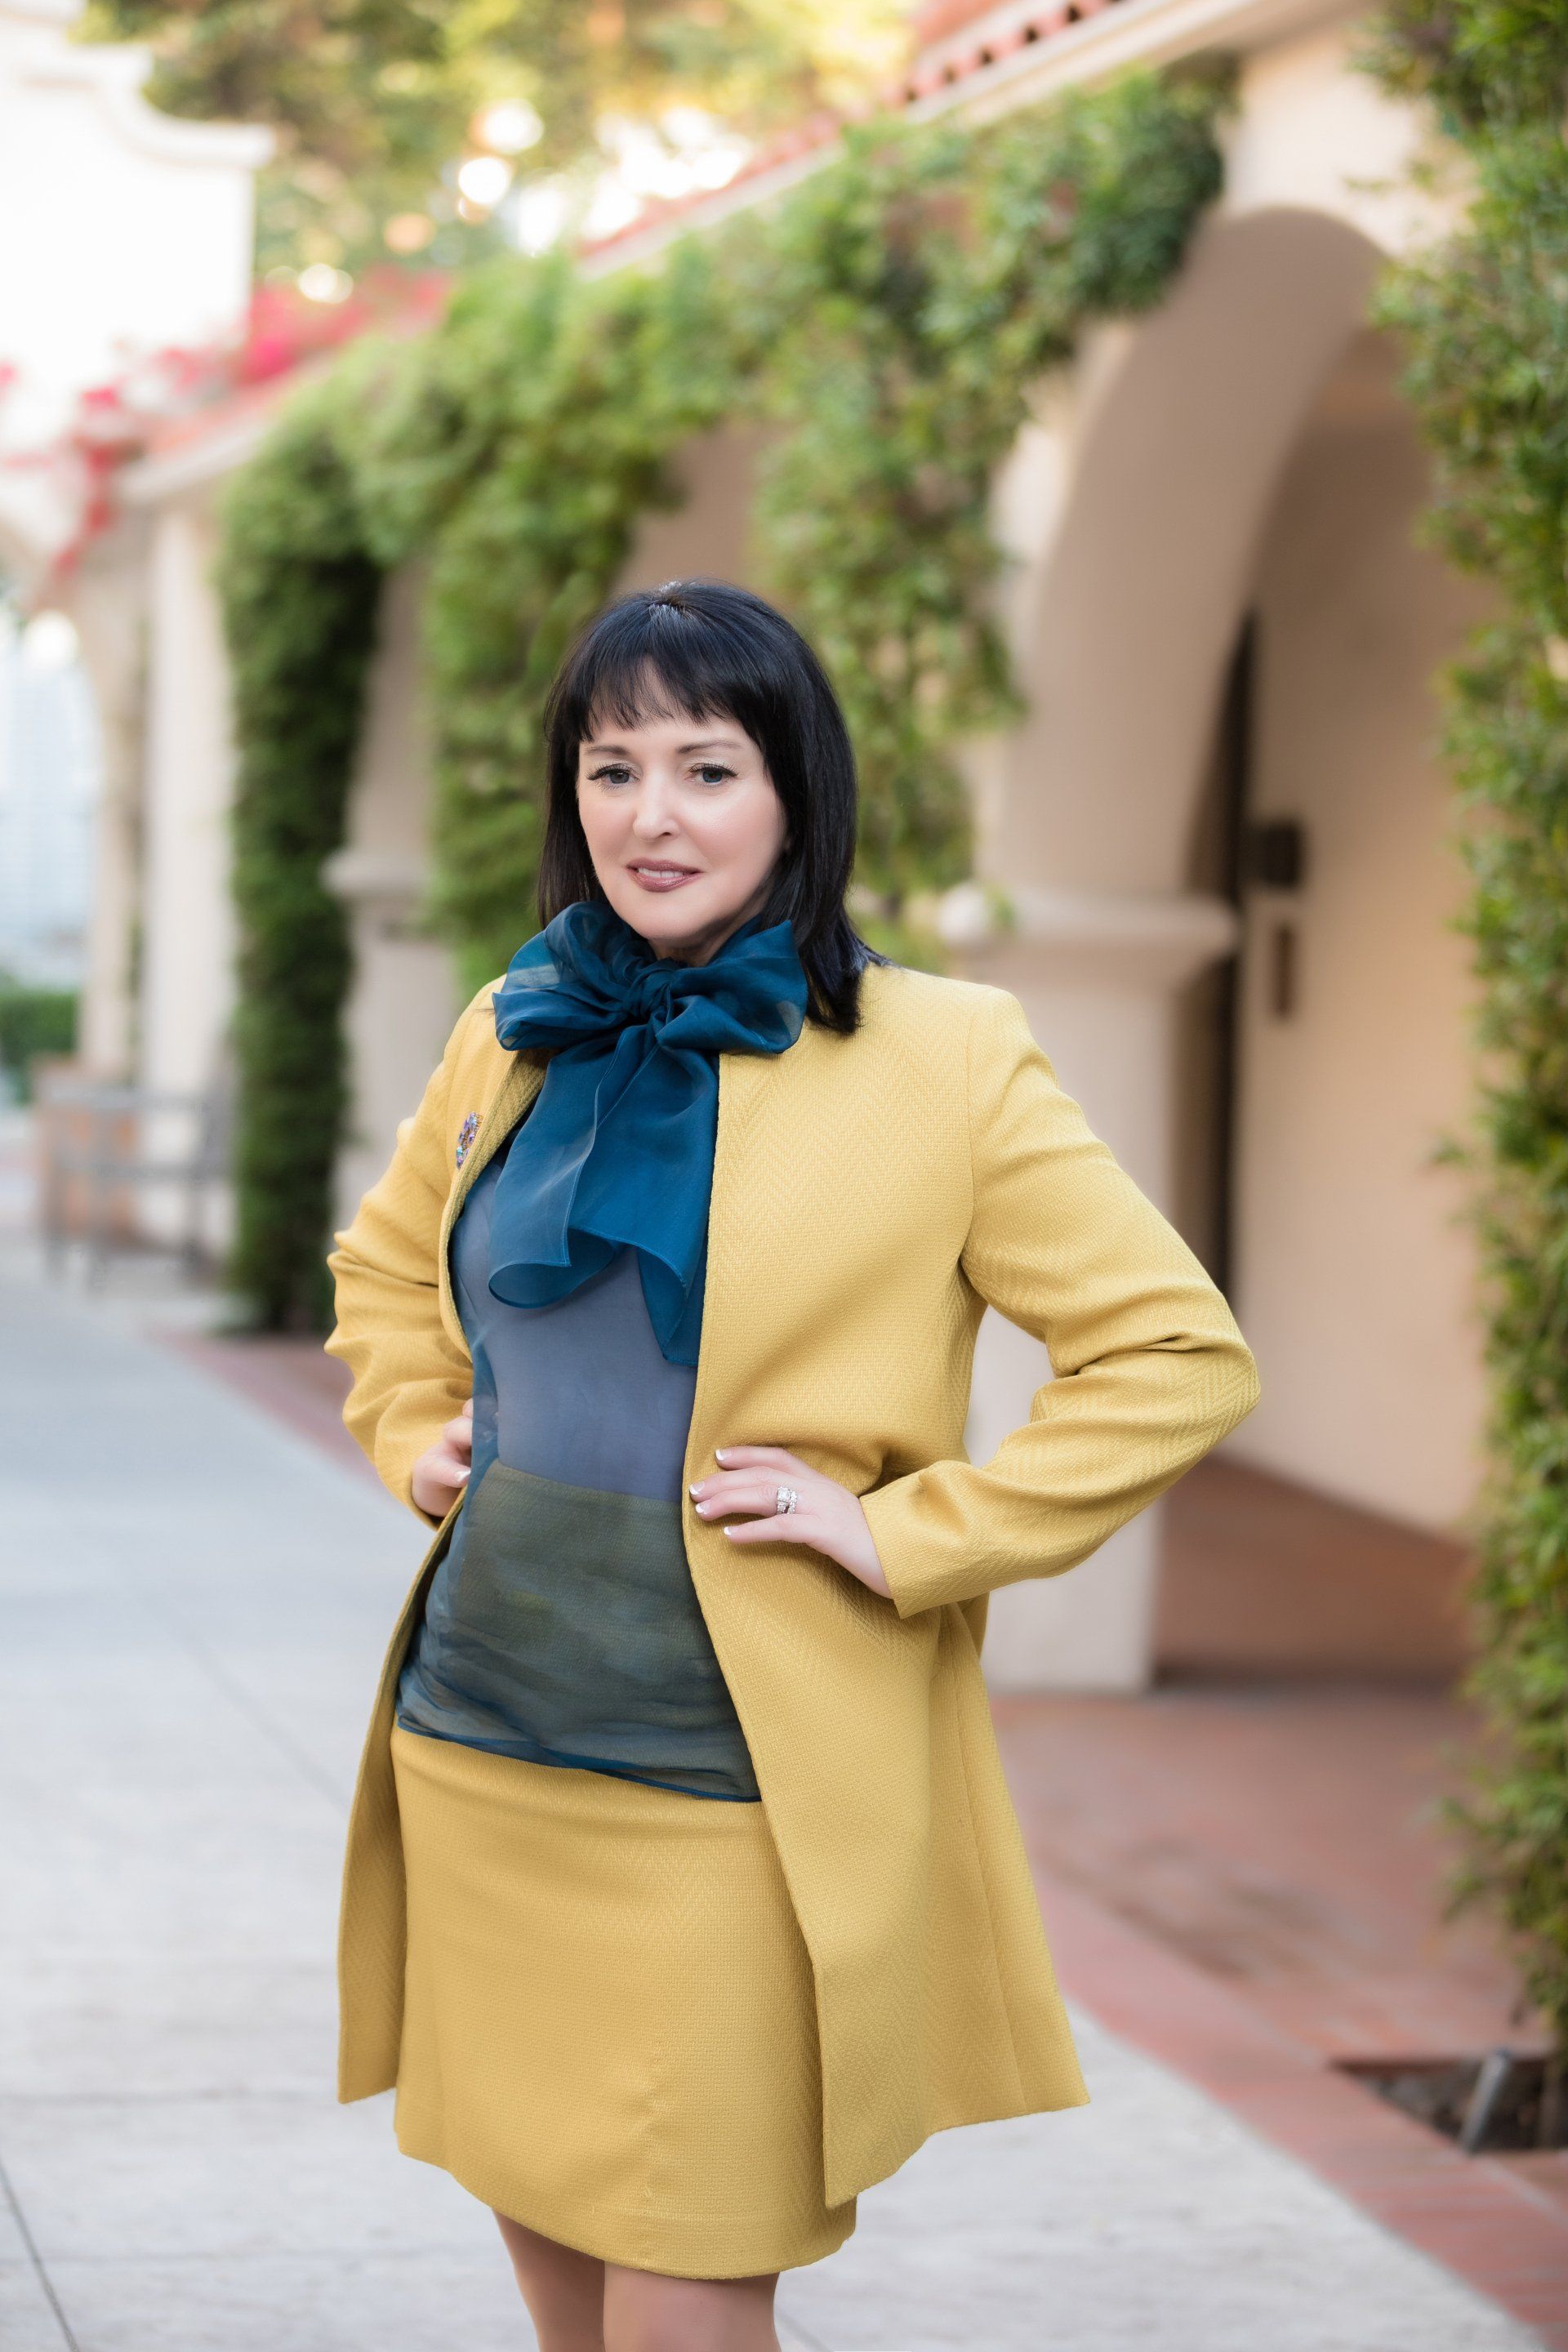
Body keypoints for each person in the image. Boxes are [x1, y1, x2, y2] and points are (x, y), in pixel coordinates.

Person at [325, 577, 1260, 2352]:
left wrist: (917, 1531)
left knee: (687, 2289)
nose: (651, 817)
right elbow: (384, 1269)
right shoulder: (512, 1023)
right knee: (550, 2244)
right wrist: (412, 1425)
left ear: (795, 792)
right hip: (487, 1736)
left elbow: (1176, 1356)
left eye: (707, 768)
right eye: (612, 769)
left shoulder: (946, 1058)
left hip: (737, 1778)